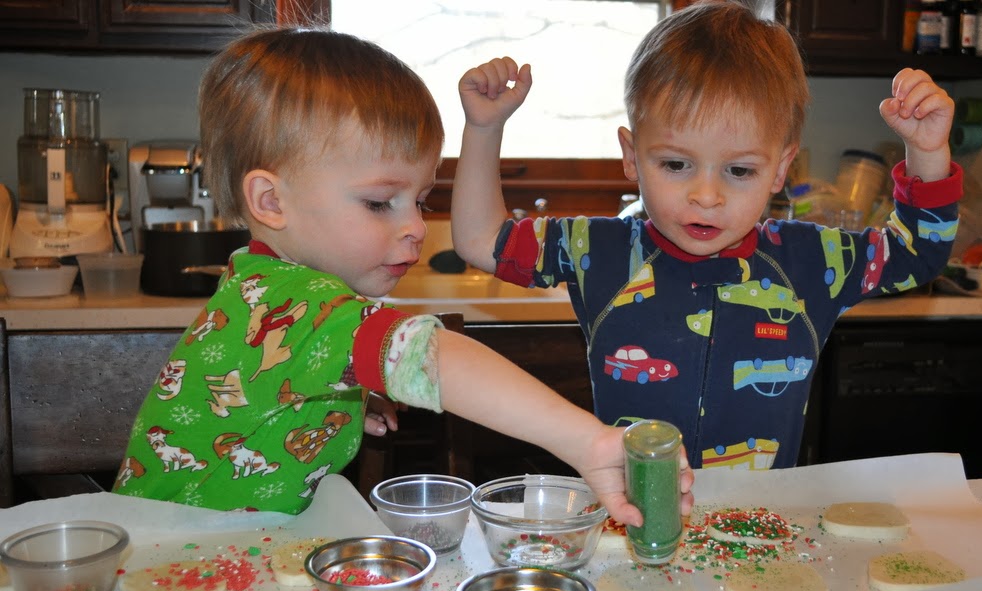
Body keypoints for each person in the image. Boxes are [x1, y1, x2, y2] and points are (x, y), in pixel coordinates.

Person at [112, 27, 693, 524]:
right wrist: (588, 440)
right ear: (270, 200)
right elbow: (438, 358)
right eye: (378, 203)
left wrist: (335, 398)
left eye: (419, 200)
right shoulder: (291, 301)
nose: (415, 226)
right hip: (170, 564)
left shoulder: (262, 282)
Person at [452, 1, 961, 471]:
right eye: (676, 164)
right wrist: (483, 129)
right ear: (631, 156)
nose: (706, 196)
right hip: (632, 519)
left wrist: (927, 153)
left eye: (739, 171)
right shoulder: (598, 251)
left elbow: (916, 252)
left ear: (780, 168)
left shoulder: (811, 261)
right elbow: (481, 240)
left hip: (760, 526)